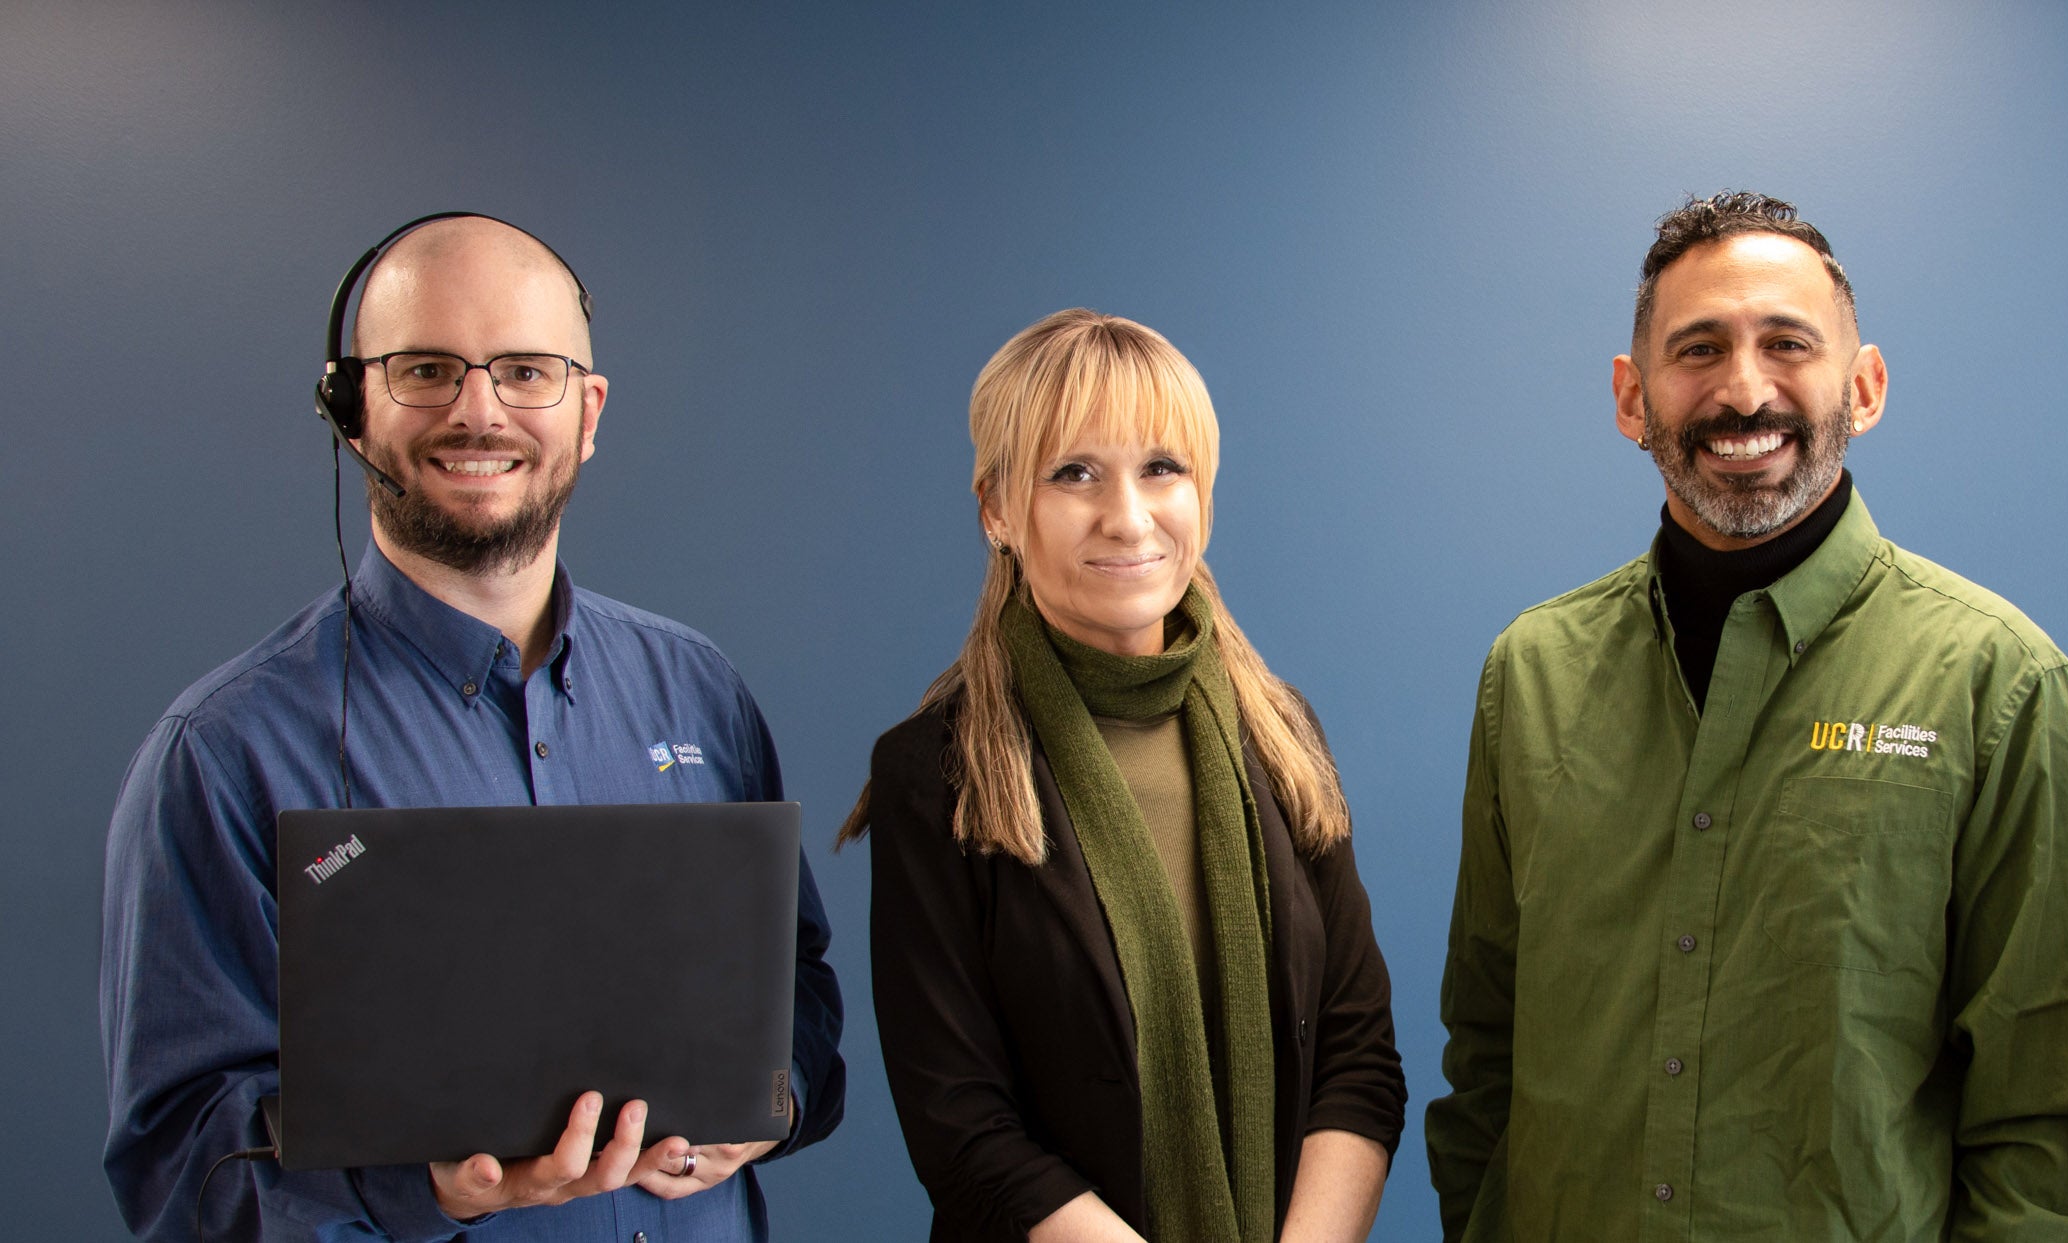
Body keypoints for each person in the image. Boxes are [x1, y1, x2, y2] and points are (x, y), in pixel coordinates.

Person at [99, 214, 846, 1241]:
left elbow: (797, 987)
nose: (479, 412)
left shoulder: (698, 690)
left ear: (587, 412)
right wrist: (425, 1187)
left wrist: (770, 1100)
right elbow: (182, 1164)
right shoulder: (225, 753)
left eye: (526, 372)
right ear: (351, 408)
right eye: (427, 370)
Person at [1425, 192, 2068, 1241]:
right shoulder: (1533, 674)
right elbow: (1487, 1055)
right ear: (1632, 398)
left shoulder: (2001, 685)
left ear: (1865, 386)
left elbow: (2051, 1126)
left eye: (1787, 344)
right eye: (1698, 349)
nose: (1744, 389)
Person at [843, 308, 1403, 1243]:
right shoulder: (936, 773)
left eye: (1162, 468)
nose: (1128, 516)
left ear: (1203, 495)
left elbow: (1357, 1059)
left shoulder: (1283, 735)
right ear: (996, 509)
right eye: (1074, 472)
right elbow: (963, 1127)